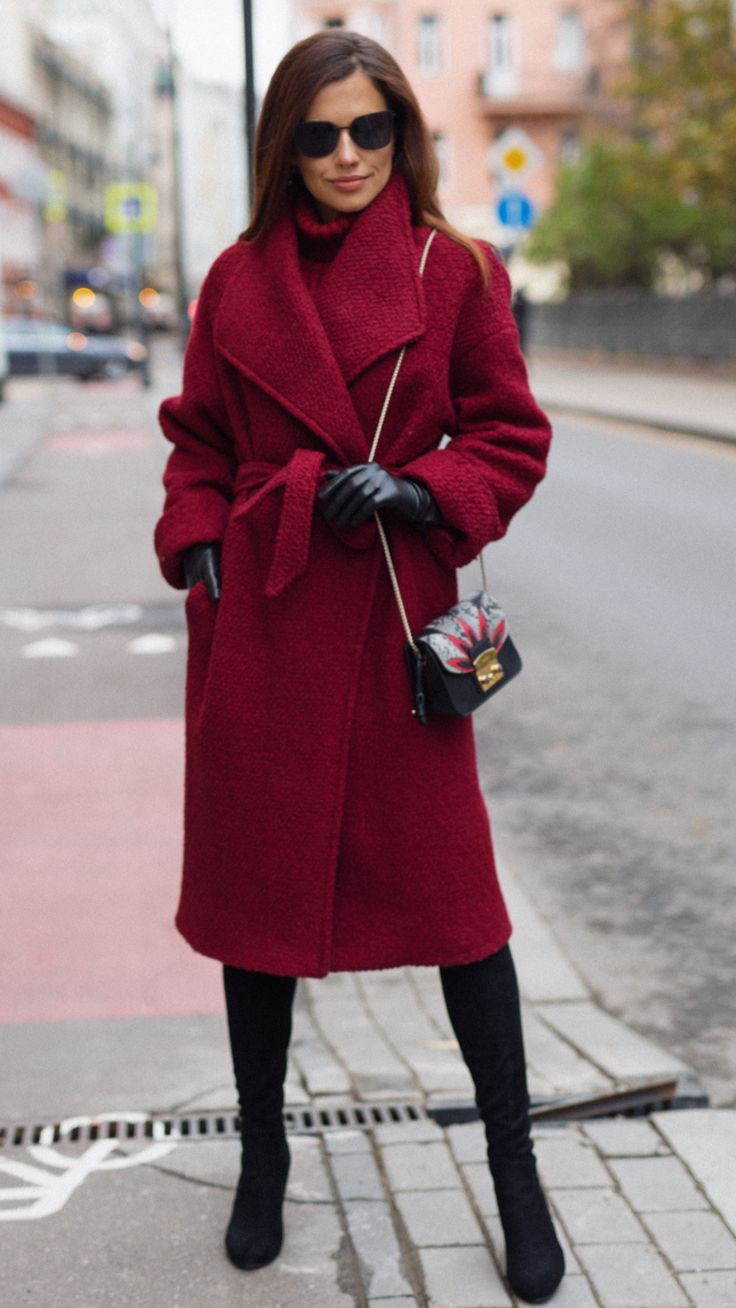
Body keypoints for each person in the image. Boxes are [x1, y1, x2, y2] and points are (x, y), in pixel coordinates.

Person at [154, 29, 564, 1306]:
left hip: (394, 624)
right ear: (287, 143)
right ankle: (263, 1159)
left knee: (462, 915)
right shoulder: (234, 282)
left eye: (369, 128)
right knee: (257, 917)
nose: (346, 155)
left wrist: (423, 484)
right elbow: (199, 443)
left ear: (402, 131)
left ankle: (516, 1175)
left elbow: (509, 433)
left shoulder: (455, 273)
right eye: (321, 133)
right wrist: (198, 544)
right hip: (267, 628)